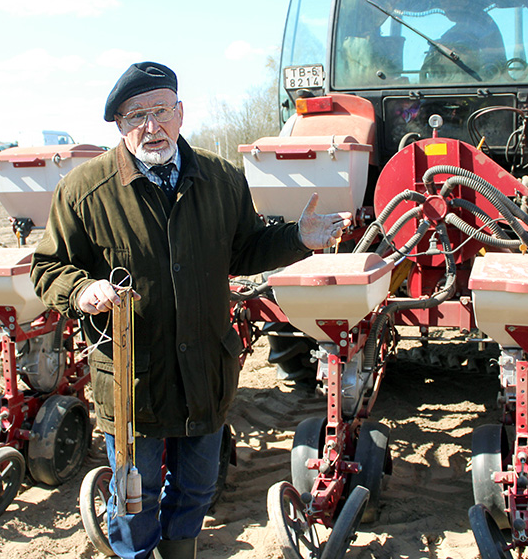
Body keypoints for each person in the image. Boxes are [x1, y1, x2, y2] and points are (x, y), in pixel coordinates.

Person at [30, 61, 350, 559]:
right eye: (135, 115)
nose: (150, 126)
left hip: (205, 369)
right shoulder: (84, 191)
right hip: (133, 379)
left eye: (160, 110)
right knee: (134, 503)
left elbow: (243, 250)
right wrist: (82, 290)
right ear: (118, 124)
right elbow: (48, 268)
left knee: (197, 490)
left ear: (180, 113)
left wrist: (298, 239)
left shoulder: (220, 178)